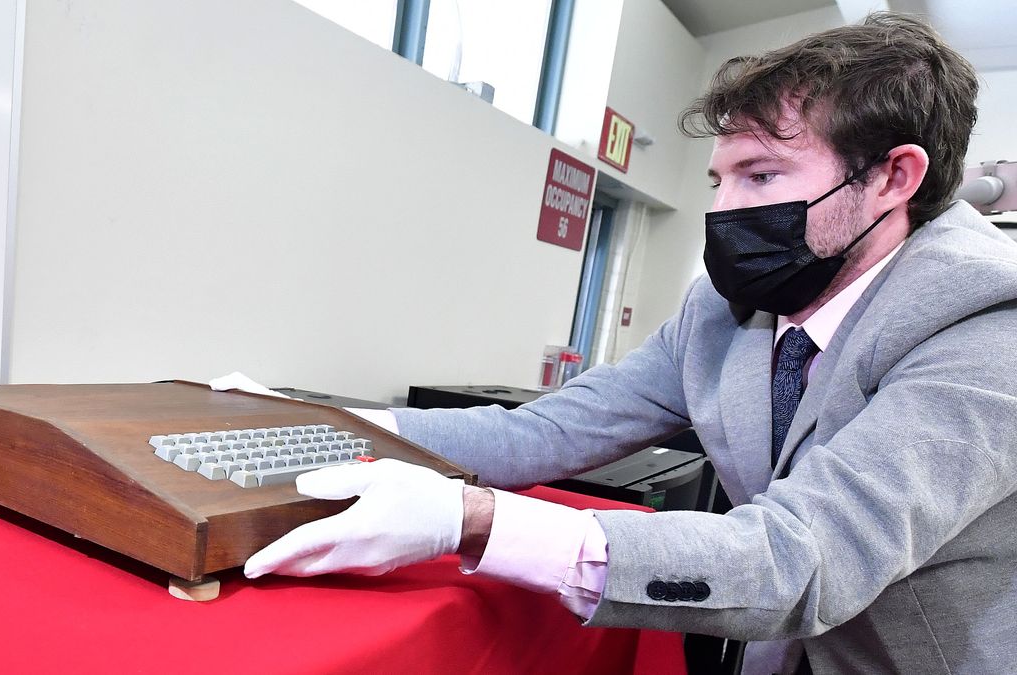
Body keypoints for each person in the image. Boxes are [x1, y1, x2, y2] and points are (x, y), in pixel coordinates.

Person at [236, 13, 1017, 675]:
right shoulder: (723, 308)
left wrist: (468, 519)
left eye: (761, 175)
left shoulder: (987, 323)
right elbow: (546, 431)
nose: (723, 210)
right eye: (718, 179)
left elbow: (800, 554)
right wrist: (330, 420)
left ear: (892, 178)